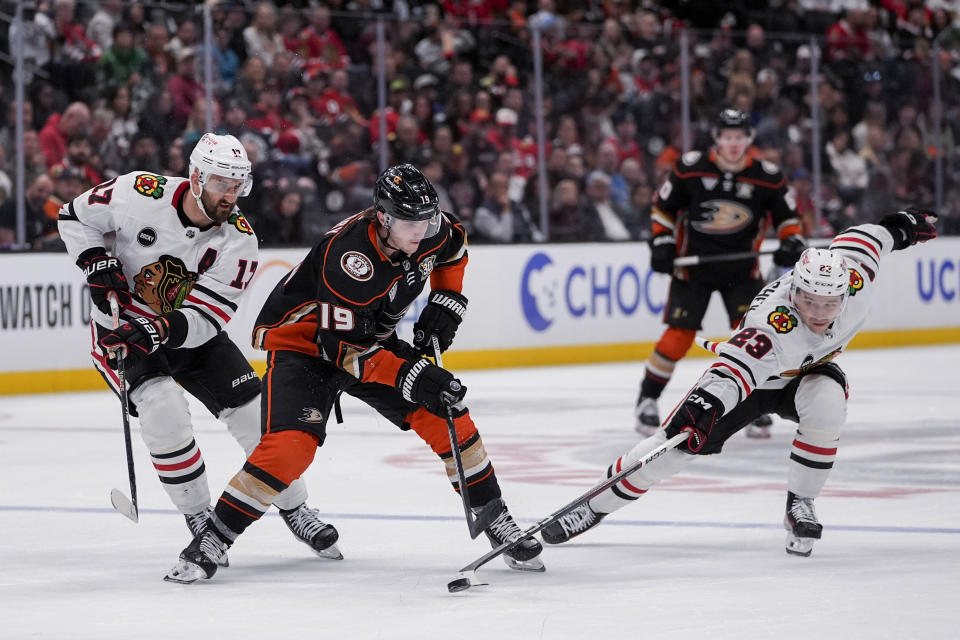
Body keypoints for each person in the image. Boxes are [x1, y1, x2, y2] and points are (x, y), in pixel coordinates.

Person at [164, 163, 544, 583]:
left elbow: (454, 248)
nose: (422, 230)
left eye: (427, 218)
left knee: (448, 414)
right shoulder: (350, 259)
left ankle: (496, 517)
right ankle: (213, 537)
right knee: (291, 448)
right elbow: (341, 351)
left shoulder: (431, 228)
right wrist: (413, 376)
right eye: (409, 222)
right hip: (306, 347)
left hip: (367, 338)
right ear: (383, 217)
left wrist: (448, 300)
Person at [541, 207, 938, 557]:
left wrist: (901, 225)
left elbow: (865, 238)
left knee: (828, 402)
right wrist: (702, 410)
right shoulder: (772, 324)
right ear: (794, 290)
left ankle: (799, 501)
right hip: (756, 376)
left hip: (807, 372)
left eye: (829, 303)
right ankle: (593, 505)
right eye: (809, 301)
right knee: (676, 445)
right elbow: (733, 373)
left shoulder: (855, 276)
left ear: (845, 293)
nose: (818, 313)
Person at [57, 132, 332, 565]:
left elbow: (207, 317)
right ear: (197, 176)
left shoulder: (239, 241)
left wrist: (159, 327)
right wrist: (95, 261)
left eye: (238, 184)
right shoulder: (138, 192)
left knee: (258, 422)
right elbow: (73, 215)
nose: (232, 194)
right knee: (163, 409)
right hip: (122, 328)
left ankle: (296, 509)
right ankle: (201, 519)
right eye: (223, 182)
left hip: (191, 335)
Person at [635, 108, 807, 439]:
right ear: (716, 138)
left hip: (742, 272)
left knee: (751, 340)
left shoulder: (766, 176)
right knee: (677, 336)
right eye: (727, 137)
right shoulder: (690, 169)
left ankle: (757, 405)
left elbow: (789, 218)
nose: (733, 143)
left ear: (749, 139)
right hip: (692, 269)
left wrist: (791, 242)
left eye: (739, 137)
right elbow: (663, 209)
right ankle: (647, 400)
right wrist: (662, 242)